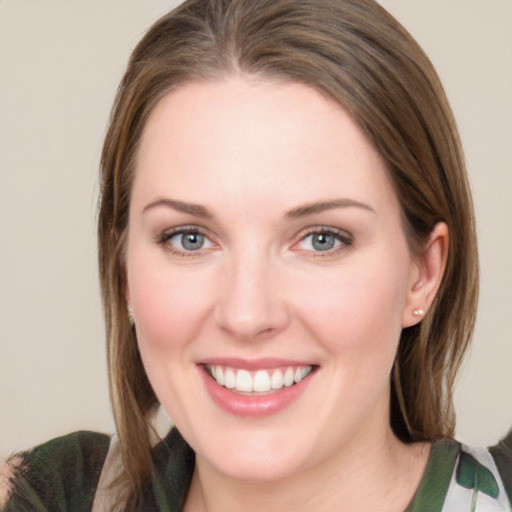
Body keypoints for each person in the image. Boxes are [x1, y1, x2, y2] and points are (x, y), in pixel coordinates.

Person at [1, 0, 511, 510]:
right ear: (123, 269)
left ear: (423, 272)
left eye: (322, 239)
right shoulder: (48, 495)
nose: (247, 315)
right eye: (189, 238)